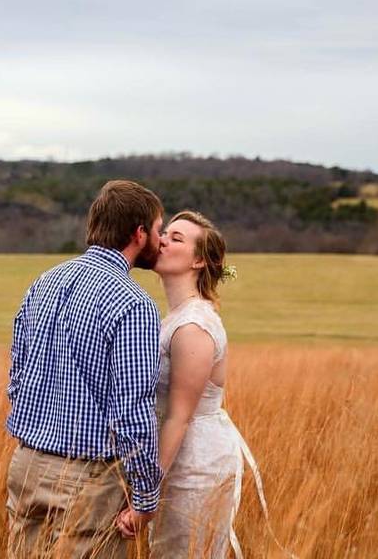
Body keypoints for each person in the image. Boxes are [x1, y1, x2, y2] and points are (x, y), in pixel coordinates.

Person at [5, 179, 165, 558]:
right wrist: (145, 497)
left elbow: (16, 377)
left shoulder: (43, 282)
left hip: (26, 465)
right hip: (88, 478)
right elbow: (131, 411)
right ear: (139, 234)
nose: (161, 239)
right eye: (159, 230)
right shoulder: (133, 303)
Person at [115, 210, 266, 558]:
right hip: (174, 457)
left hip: (196, 465)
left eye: (176, 238)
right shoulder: (174, 318)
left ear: (198, 260)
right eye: (164, 233)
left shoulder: (194, 326)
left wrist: (144, 499)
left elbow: (179, 416)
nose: (162, 239)